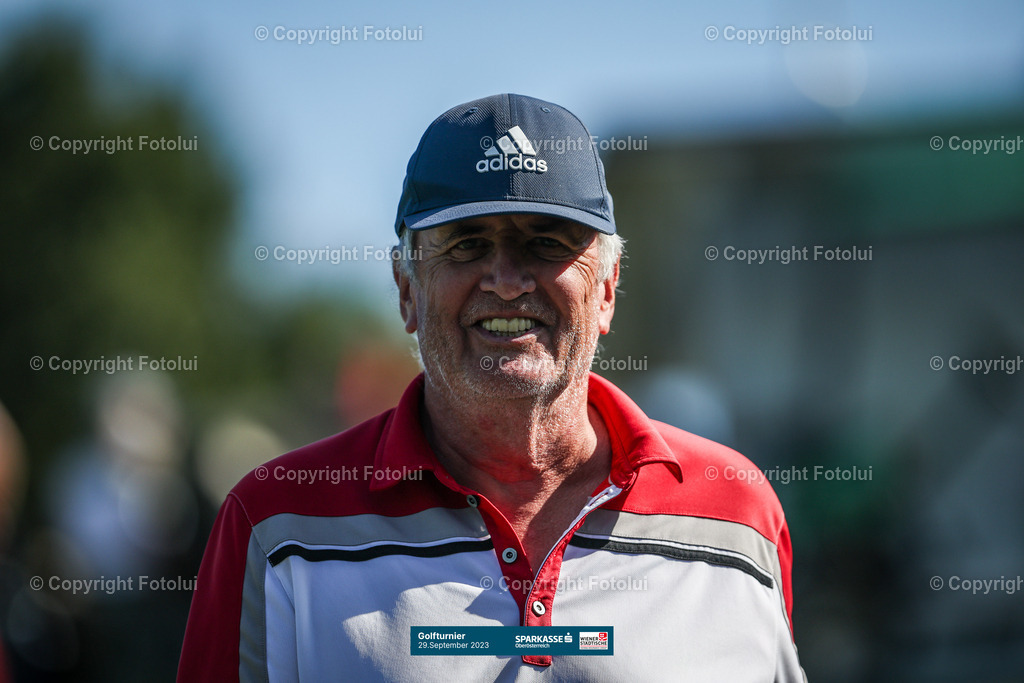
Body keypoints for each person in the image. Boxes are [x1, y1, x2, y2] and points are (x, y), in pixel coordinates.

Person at [177, 93, 805, 681]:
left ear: (607, 288)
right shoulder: (275, 524)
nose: (507, 281)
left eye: (546, 243)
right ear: (406, 290)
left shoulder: (738, 515)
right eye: (467, 244)